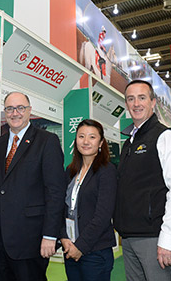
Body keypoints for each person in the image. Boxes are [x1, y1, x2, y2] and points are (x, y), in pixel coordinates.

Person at [0, 91, 66, 281]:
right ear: (5, 112)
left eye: (20, 108)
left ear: (30, 110)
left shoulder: (47, 141)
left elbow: (55, 192)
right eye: (10, 109)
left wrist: (50, 235)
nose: (15, 113)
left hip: (30, 241)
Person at [114, 80, 171, 281]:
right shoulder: (129, 142)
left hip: (155, 238)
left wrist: (168, 239)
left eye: (142, 97)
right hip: (129, 237)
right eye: (131, 99)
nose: (136, 103)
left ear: (153, 102)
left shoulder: (166, 137)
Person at [60, 119, 117, 280]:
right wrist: (64, 238)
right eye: (81, 136)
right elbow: (61, 208)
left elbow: (103, 216)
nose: (85, 141)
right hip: (70, 249)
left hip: (95, 252)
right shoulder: (70, 171)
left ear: (101, 142)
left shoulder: (107, 171)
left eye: (92, 137)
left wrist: (80, 246)